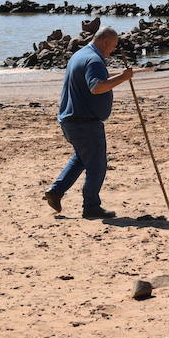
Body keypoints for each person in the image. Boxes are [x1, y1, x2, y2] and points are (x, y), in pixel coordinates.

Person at [43, 26, 135, 218]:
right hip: (84, 122)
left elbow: (90, 83)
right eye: (113, 46)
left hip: (71, 119)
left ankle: (56, 191)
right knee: (97, 165)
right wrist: (122, 78)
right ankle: (91, 206)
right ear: (105, 41)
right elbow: (96, 87)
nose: (113, 50)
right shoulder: (94, 60)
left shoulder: (80, 55)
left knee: (82, 158)